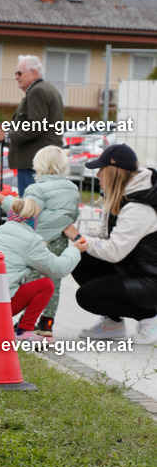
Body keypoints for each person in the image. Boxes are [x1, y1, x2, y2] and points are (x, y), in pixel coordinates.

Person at [65, 144, 157, 344]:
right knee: (80, 256)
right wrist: (74, 235)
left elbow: (114, 251)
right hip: (133, 269)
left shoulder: (138, 207)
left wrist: (77, 237)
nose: (97, 174)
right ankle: (113, 323)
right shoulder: (120, 195)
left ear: (114, 172)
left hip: (151, 281)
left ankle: (150, 318)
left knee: (87, 297)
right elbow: (103, 236)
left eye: (101, 169)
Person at [0, 197, 84, 339]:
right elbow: (59, 269)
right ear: (34, 219)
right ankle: (23, 331)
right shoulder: (30, 240)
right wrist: (75, 249)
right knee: (46, 285)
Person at [0, 146, 80, 337]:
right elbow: (74, 214)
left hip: (38, 241)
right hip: (60, 240)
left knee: (33, 281)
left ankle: (27, 320)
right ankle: (47, 323)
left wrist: (6, 202)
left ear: (39, 165)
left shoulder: (36, 189)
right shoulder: (73, 189)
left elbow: (26, 213)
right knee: (54, 281)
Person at [0, 54, 64, 194]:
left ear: (34, 73)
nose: (16, 77)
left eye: (19, 73)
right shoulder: (47, 90)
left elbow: (36, 126)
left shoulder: (37, 91)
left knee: (31, 202)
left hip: (33, 161)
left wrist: (7, 136)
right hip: (42, 160)